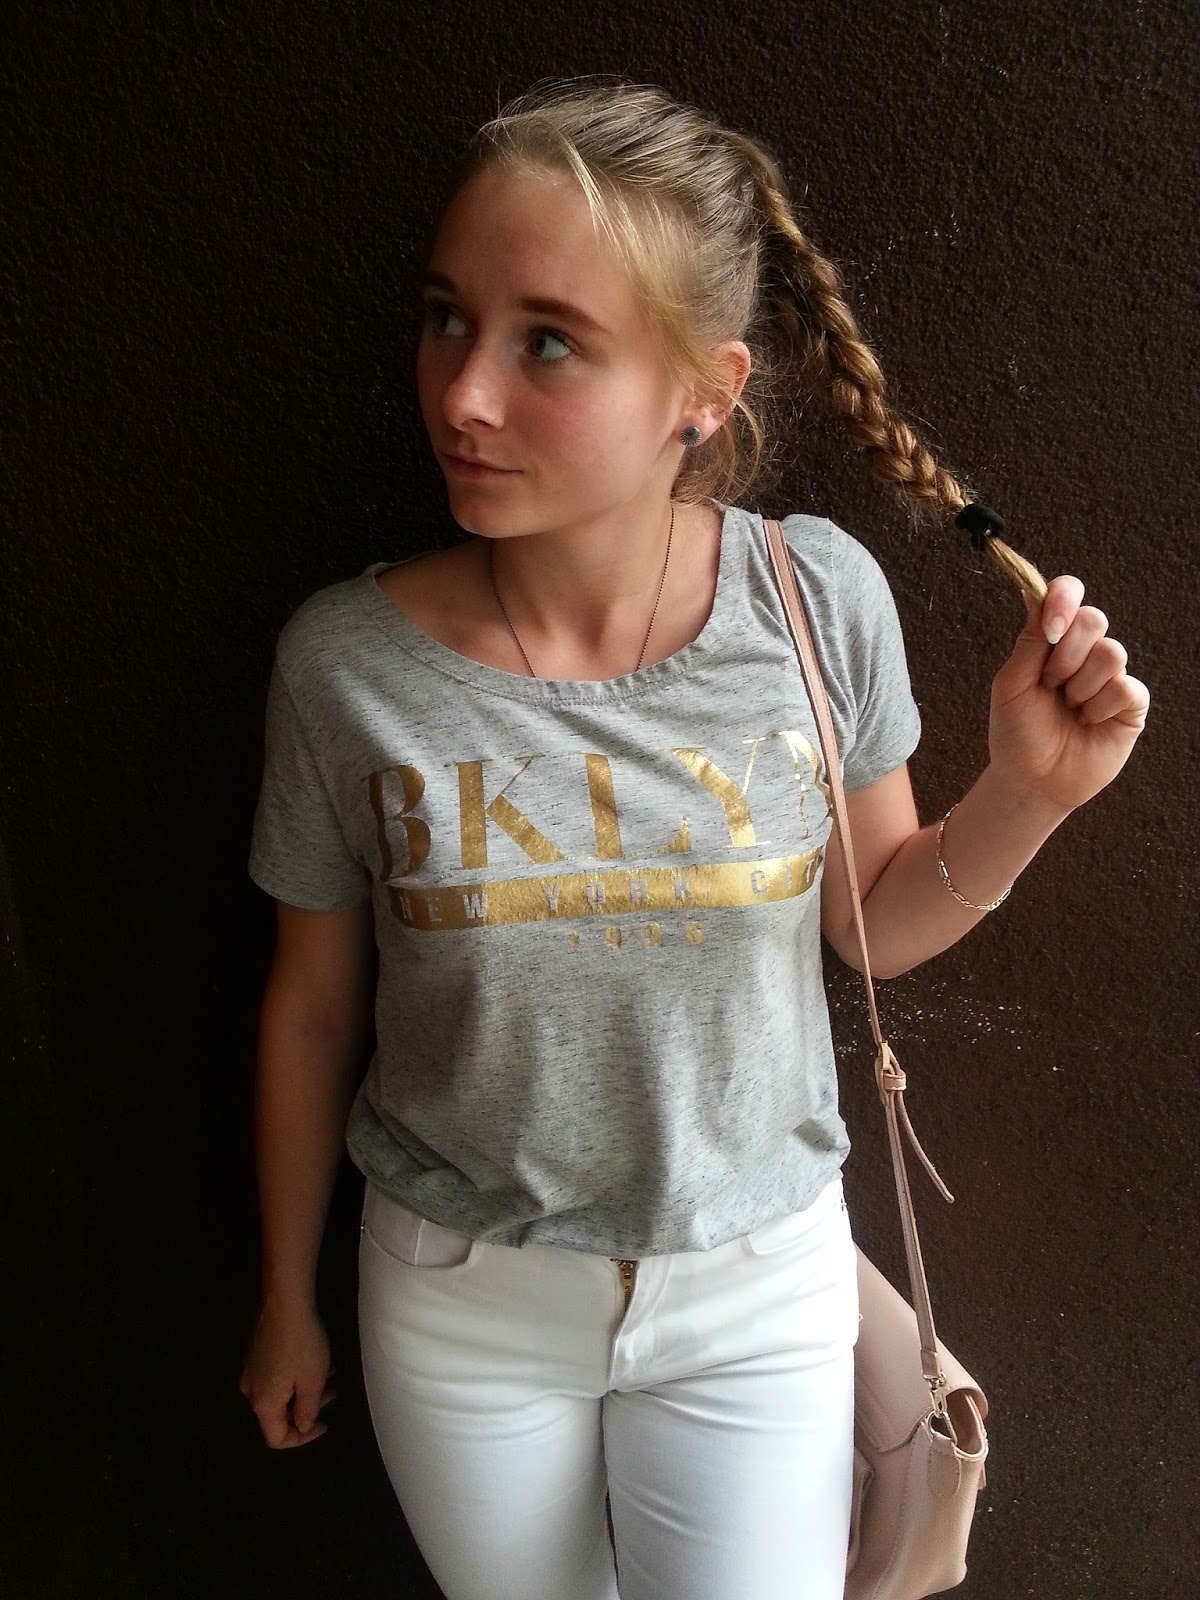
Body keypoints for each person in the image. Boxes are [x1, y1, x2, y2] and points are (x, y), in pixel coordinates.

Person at [238, 77, 1148, 1600]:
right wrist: (285, 1293)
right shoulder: (346, 666)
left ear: (704, 391)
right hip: (459, 1299)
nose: (463, 394)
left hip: (755, 1289)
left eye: (547, 342)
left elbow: (869, 920)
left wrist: (1030, 794)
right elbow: (312, 1009)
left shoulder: (811, 602)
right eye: (447, 318)